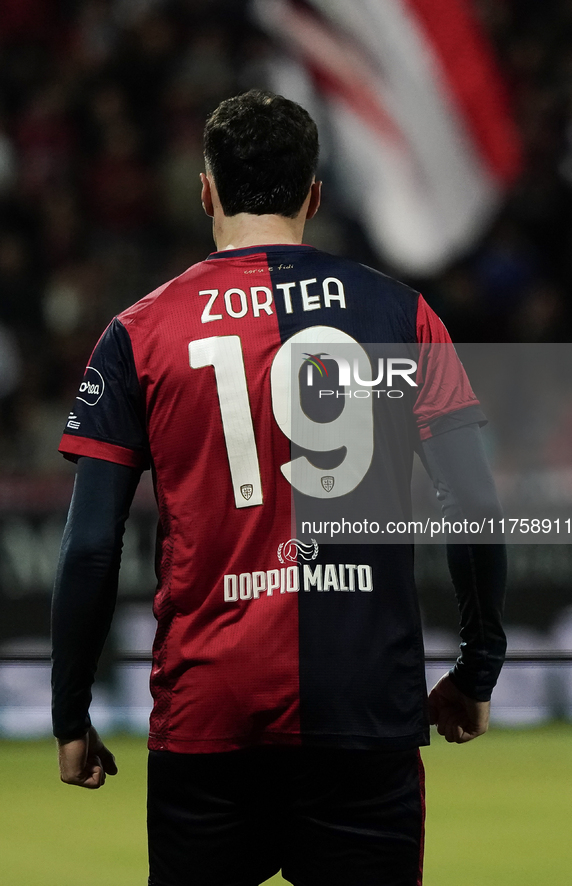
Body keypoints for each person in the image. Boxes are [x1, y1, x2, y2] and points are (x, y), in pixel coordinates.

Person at [52, 90, 506, 886]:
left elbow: (90, 546)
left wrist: (70, 714)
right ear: (315, 195)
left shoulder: (138, 332)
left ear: (205, 191)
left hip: (210, 717)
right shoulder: (402, 313)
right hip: (365, 711)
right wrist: (478, 668)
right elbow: (472, 505)